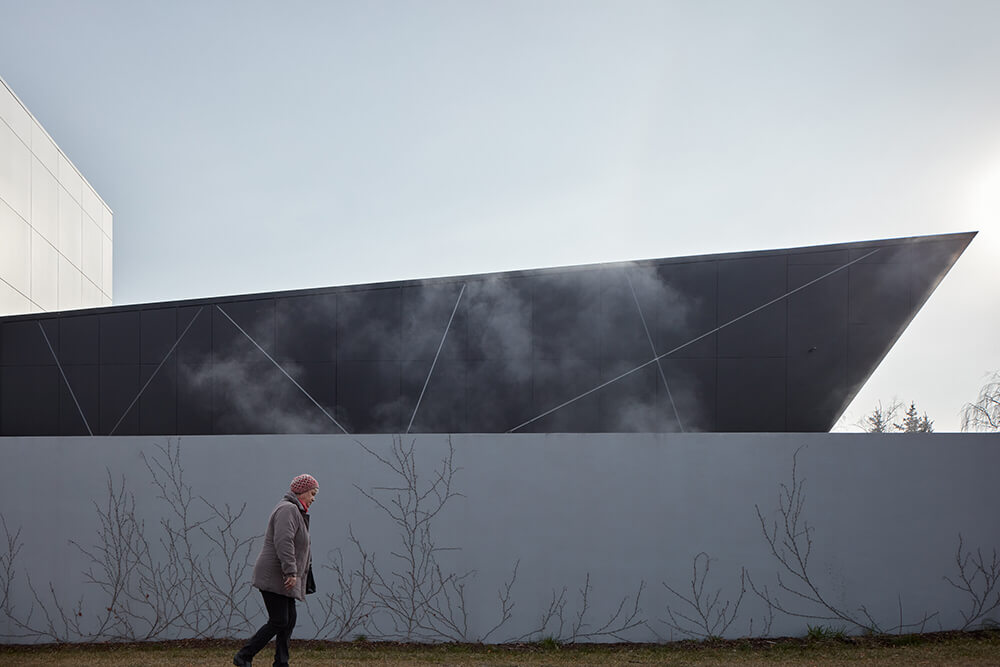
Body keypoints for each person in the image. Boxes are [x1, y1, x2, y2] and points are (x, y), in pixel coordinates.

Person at [234, 474, 318, 667]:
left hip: (284, 575)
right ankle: (244, 656)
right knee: (279, 620)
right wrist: (290, 572)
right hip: (275, 575)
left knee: (289, 620)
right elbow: (284, 542)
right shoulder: (288, 509)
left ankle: (281, 662)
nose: (313, 499)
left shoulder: (296, 511)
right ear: (302, 492)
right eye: (312, 494)